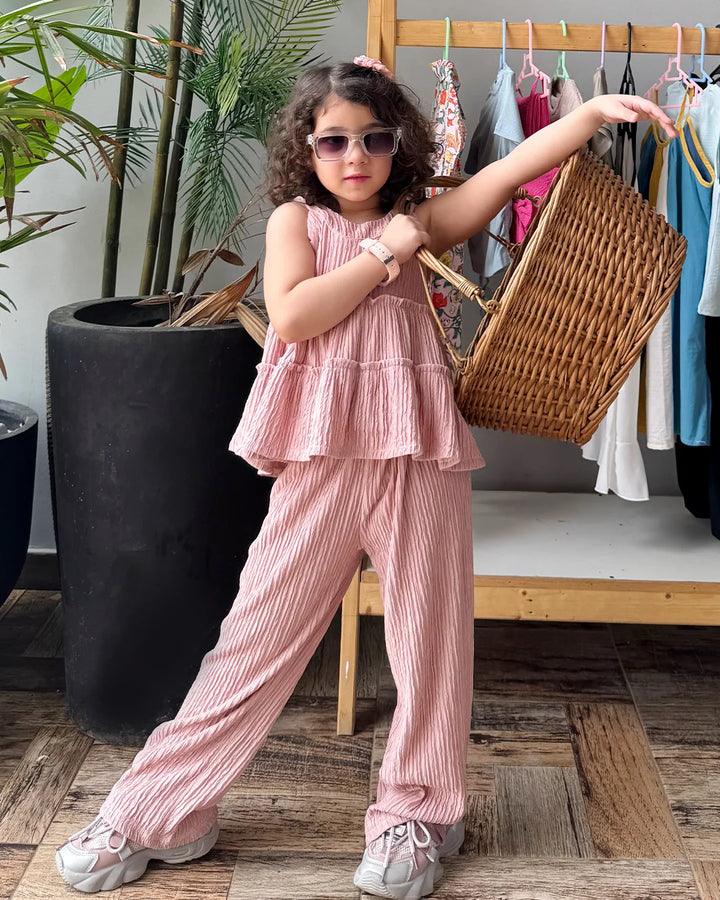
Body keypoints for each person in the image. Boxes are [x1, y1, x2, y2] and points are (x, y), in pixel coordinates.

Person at [55, 56, 677, 899]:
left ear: (399, 146)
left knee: (430, 643)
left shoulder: (421, 219)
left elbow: (503, 176)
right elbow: (295, 313)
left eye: (375, 139)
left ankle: (417, 814)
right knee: (254, 641)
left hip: (419, 458)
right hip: (322, 462)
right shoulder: (299, 223)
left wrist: (589, 116)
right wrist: (386, 253)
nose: (356, 157)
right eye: (335, 141)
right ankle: (158, 809)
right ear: (306, 149)